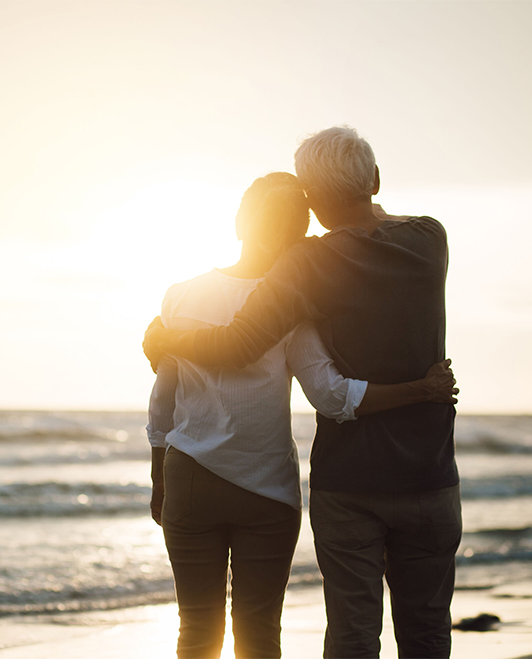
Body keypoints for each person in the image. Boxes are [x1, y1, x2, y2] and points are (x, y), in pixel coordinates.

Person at [147, 171, 458, 659]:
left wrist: (159, 476)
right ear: (298, 238)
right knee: (258, 632)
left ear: (238, 224)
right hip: (266, 490)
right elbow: (332, 397)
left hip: (187, 478)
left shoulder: (180, 296)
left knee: (196, 629)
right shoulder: (293, 306)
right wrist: (420, 389)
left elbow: (162, 398)